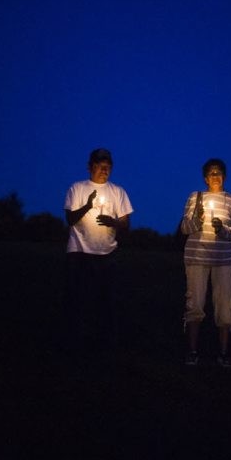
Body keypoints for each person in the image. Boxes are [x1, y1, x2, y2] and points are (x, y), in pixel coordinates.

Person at [64, 148, 133, 361]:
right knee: (80, 299)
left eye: (108, 166)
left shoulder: (118, 192)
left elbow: (126, 224)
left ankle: (106, 343)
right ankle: (78, 342)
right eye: (100, 165)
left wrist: (114, 222)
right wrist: (87, 205)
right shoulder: (77, 188)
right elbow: (70, 219)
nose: (105, 170)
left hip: (108, 254)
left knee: (107, 301)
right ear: (90, 166)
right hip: (80, 252)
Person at [181, 158, 231, 368]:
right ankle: (192, 351)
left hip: (224, 260)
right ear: (205, 178)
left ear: (224, 177)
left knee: (224, 306)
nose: (214, 176)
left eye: (218, 173)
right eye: (211, 173)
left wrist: (223, 230)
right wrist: (198, 220)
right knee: (195, 304)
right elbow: (184, 228)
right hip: (197, 257)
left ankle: (224, 353)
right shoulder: (195, 197)